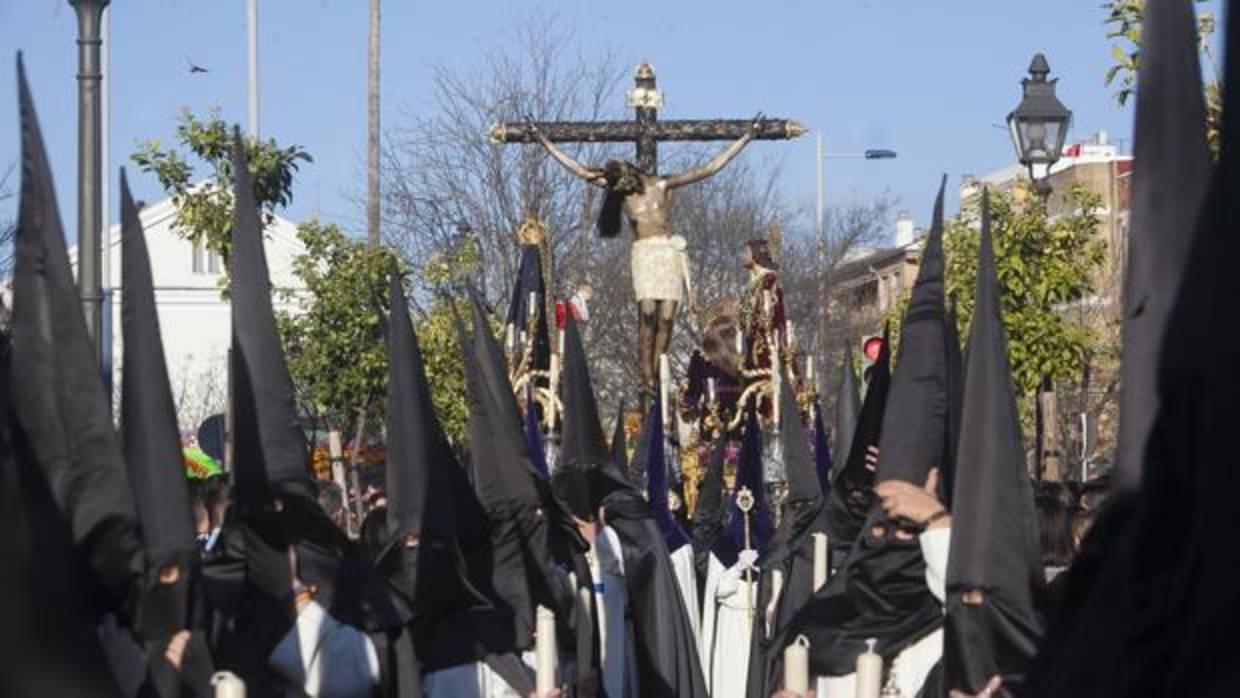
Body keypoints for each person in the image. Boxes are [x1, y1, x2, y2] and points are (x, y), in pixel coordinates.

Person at [533, 116, 763, 404]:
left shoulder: (662, 185)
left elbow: (709, 168)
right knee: (648, 313)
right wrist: (545, 141)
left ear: (632, 172)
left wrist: (745, 138)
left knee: (667, 317)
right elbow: (579, 169)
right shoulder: (622, 192)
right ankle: (645, 378)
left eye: (626, 183)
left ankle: (657, 369)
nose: (625, 190)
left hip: (666, 253)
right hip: (643, 253)